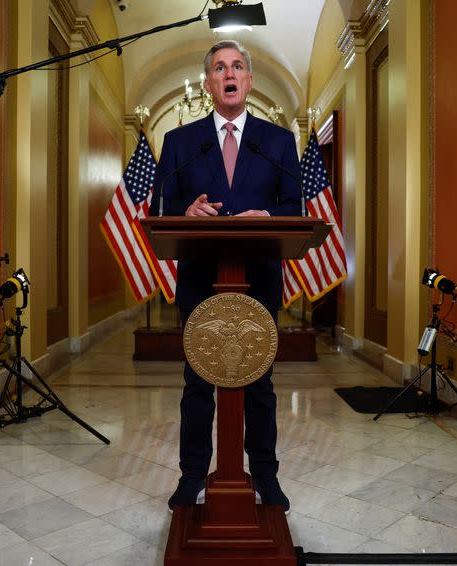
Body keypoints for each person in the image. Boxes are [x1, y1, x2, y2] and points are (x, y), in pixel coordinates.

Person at [150, 40, 301, 514]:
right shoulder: (180, 141)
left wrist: (267, 216)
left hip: (258, 278)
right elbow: (159, 207)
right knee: (198, 383)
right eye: (219, 67)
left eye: (237, 66)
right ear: (210, 83)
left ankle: (266, 477)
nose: (229, 73)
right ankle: (192, 475)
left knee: (260, 383)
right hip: (201, 279)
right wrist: (185, 210)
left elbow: (294, 207)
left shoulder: (277, 141)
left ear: (249, 81)